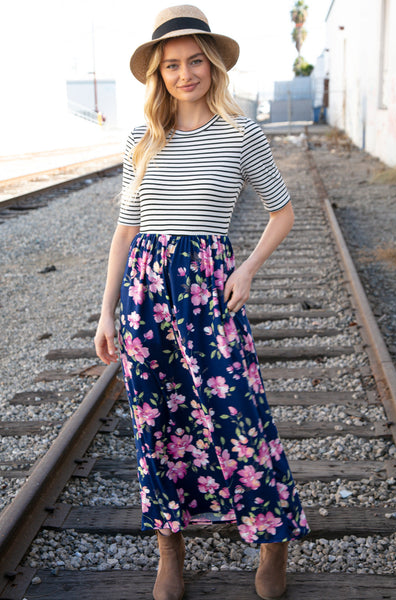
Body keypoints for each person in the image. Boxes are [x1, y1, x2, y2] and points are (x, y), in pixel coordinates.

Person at [95, 5, 309, 599]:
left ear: (212, 66)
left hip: (208, 291)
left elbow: (282, 211)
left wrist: (247, 269)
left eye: (195, 62)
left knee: (240, 415)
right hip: (143, 294)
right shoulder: (142, 137)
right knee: (157, 423)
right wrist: (106, 310)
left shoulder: (241, 134)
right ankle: (171, 550)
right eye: (171, 65)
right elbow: (126, 229)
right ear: (157, 75)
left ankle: (272, 539)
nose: (184, 73)